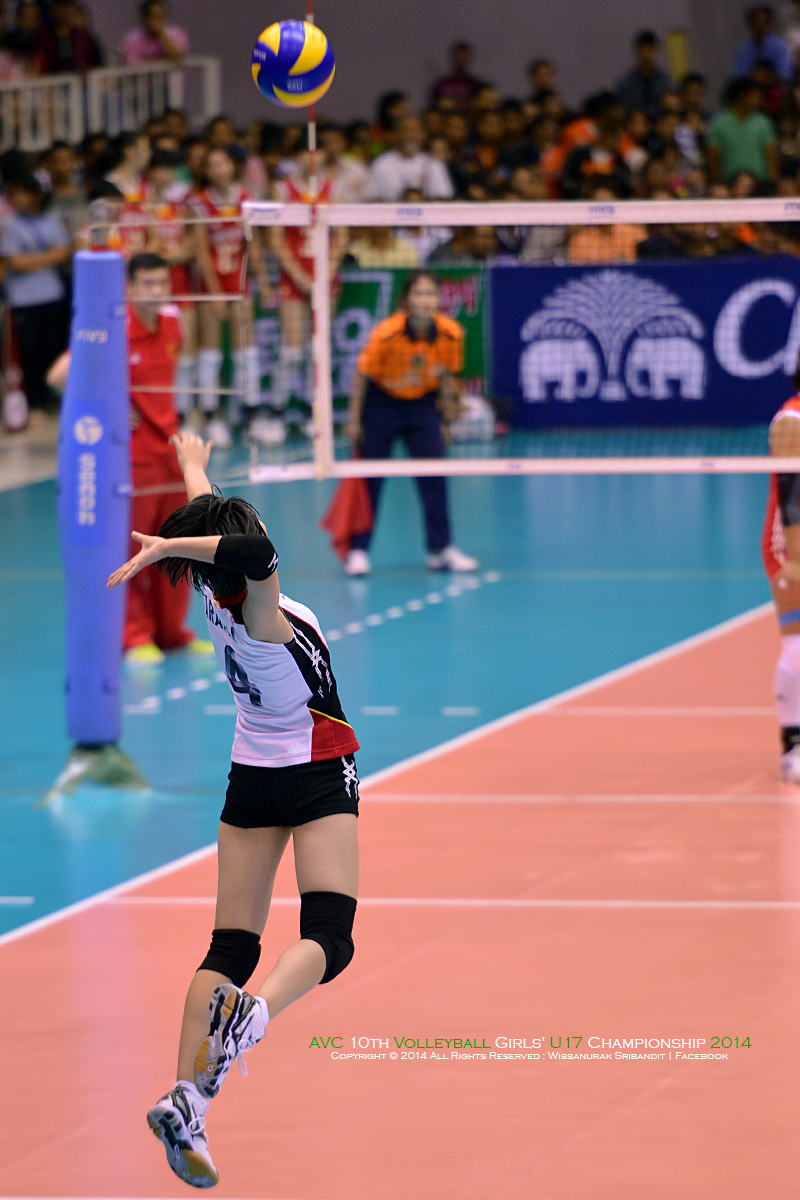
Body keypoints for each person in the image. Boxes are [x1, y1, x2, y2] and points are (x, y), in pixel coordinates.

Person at [106, 429, 360, 1188]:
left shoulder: (216, 598)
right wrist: (178, 537)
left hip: (251, 774)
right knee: (329, 937)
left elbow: (217, 536)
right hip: (315, 768)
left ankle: (187, 1100)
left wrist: (193, 470)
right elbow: (251, 549)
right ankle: (256, 1014)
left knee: (229, 947)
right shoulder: (265, 612)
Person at [343, 270, 479, 576]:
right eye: (419, 293)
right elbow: (362, 375)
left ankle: (440, 550)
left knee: (434, 478)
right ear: (406, 299)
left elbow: (447, 376)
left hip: (422, 406)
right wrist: (354, 420)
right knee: (370, 480)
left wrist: (445, 420)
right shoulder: (386, 333)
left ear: (438, 299)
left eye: (430, 293)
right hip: (383, 404)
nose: (425, 300)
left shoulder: (451, 333)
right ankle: (358, 551)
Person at [123, 253, 212, 661]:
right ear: (129, 287)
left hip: (171, 450)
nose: (156, 291)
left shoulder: (174, 324)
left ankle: (173, 632)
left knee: (176, 542)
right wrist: (105, 407)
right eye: (147, 283)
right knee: (135, 545)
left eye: (162, 283)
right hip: (134, 454)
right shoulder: (113, 329)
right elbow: (62, 375)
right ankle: (135, 635)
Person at [0, 173, 71, 422]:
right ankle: (35, 403)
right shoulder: (10, 223)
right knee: (29, 353)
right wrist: (48, 256)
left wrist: (34, 259)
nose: (20, 198)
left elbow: (64, 252)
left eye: (25, 193)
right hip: (23, 299)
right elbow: (15, 262)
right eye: (15, 193)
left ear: (37, 195)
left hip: (52, 294)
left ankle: (55, 399)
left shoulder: (51, 219)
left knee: (53, 349)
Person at [759, 378, 800, 781]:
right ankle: (794, 746)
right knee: (798, 642)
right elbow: (789, 493)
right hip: (789, 540)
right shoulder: (792, 419)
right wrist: (796, 556)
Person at [706, 77, 779, 184]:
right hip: (729, 183)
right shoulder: (719, 123)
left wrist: (772, 183)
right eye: (754, 96)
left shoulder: (763, 123)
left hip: (759, 184)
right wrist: (717, 182)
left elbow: (771, 155)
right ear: (742, 97)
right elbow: (713, 157)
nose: (759, 101)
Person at [369, 115, 454, 201]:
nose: (411, 136)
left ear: (423, 135)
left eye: (415, 130)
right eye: (406, 130)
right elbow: (372, 199)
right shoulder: (381, 164)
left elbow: (443, 198)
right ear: (396, 134)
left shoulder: (433, 164)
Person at [616, 31, 672, 119]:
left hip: (660, 124)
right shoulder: (626, 83)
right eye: (644, 49)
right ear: (637, 51)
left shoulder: (665, 81)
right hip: (635, 124)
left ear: (656, 51)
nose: (646, 54)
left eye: (650, 49)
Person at [733, 4, 792, 80]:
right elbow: (738, 76)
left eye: (763, 22)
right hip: (752, 85)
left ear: (769, 23)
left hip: (775, 84)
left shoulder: (779, 45)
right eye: (756, 22)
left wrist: (767, 77)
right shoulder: (744, 49)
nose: (760, 26)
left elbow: (785, 74)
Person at [121, 0, 188, 64]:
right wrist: (161, 61)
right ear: (145, 18)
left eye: (162, 16)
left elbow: (178, 57)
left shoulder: (176, 33)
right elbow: (132, 63)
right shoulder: (133, 39)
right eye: (154, 16)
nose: (158, 21)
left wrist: (161, 34)